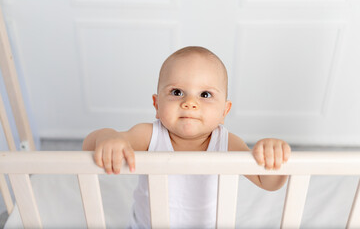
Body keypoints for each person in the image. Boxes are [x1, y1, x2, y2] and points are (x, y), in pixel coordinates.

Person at [82, 46, 291, 228]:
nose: (190, 102)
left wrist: (272, 155)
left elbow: (268, 182)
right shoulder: (149, 135)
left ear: (224, 112)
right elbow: (88, 148)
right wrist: (108, 138)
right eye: (177, 92)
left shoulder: (227, 143)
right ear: (156, 105)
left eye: (205, 95)